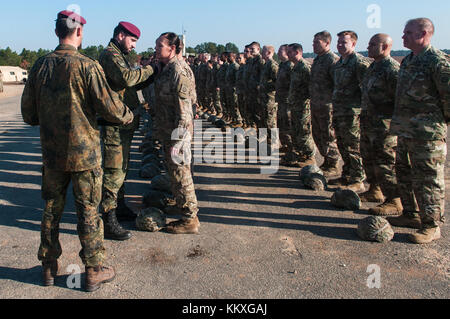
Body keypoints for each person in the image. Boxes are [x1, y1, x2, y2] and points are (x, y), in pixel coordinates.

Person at [21, 10, 134, 291]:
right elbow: (110, 107)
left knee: (51, 210)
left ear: (57, 32)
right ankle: (94, 270)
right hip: (85, 156)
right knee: (88, 211)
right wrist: (129, 115)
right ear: (79, 32)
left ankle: (48, 267)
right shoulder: (87, 66)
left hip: (52, 155)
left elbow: (27, 114)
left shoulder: (40, 66)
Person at [387, 18, 450, 244]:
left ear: (423, 34)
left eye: (408, 33)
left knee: (428, 180)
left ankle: (431, 225)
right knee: (404, 172)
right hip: (405, 130)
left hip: (427, 134)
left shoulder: (438, 62)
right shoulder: (409, 61)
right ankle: (410, 214)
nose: (403, 37)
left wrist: (436, 125)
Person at [98, 21, 158, 241]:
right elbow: (126, 78)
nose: (133, 46)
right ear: (121, 35)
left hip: (123, 122)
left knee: (121, 168)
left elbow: (130, 85)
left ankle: (119, 206)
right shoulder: (110, 56)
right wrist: (150, 69)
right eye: (132, 40)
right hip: (114, 123)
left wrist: (149, 75)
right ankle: (107, 218)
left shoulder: (120, 56)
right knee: (113, 171)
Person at [154, 32, 200, 234]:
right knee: (175, 172)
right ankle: (181, 204)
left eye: (159, 46)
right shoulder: (167, 68)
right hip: (168, 131)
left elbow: (185, 111)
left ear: (171, 49)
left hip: (177, 133)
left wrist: (178, 140)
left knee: (181, 173)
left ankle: (190, 219)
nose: (155, 49)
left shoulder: (178, 71)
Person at [360, 34, 402, 216]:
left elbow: (399, 100)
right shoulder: (373, 67)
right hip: (369, 123)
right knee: (369, 158)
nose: (368, 47)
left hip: (384, 127)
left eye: (372, 44)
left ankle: (394, 200)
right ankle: (374, 190)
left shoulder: (392, 69)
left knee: (386, 162)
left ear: (385, 47)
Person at [329, 31, 370, 192]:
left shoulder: (359, 63)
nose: (340, 45)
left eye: (343, 42)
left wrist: (362, 112)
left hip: (353, 113)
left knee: (354, 146)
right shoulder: (339, 64)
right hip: (339, 111)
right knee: (342, 144)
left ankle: (358, 178)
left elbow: (366, 90)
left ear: (353, 44)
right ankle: (347, 174)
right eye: (338, 42)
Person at [309, 31, 341, 176]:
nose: (314, 45)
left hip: (328, 106)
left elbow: (338, 84)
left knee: (329, 135)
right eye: (313, 42)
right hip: (316, 104)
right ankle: (326, 162)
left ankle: (333, 164)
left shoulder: (332, 60)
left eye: (317, 42)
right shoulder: (318, 60)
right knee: (318, 134)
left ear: (327, 43)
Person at [284, 43, 316, 168]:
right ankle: (301, 154)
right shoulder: (295, 67)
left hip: (303, 106)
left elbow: (311, 87)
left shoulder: (305, 67)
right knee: (296, 130)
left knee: (304, 131)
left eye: (290, 52)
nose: (288, 54)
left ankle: (310, 156)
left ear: (298, 52)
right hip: (295, 105)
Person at [276, 44, 294, 151]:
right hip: (281, 100)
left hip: (288, 101)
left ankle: (291, 147)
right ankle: (286, 145)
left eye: (280, 51)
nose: (278, 54)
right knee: (281, 124)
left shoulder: (290, 66)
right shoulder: (282, 65)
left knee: (288, 125)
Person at [260, 45, 279, 134]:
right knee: (265, 119)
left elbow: (277, 82)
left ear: (269, 53)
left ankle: (274, 142)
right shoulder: (265, 64)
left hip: (270, 97)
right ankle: (267, 139)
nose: (261, 53)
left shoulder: (272, 65)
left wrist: (266, 86)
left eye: (263, 51)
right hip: (264, 96)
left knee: (271, 121)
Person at [247, 42, 265, 128]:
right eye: (249, 49)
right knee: (254, 114)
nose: (250, 51)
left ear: (258, 49)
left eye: (252, 49)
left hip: (259, 93)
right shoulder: (252, 61)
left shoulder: (261, 60)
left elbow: (263, 76)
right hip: (252, 92)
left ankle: (264, 137)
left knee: (260, 115)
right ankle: (258, 135)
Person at [225, 52, 243, 127]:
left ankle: (238, 120)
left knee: (235, 105)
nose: (228, 58)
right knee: (231, 104)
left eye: (229, 57)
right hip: (229, 88)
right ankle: (234, 119)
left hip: (234, 89)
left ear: (233, 57)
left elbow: (238, 79)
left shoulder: (236, 66)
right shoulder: (230, 66)